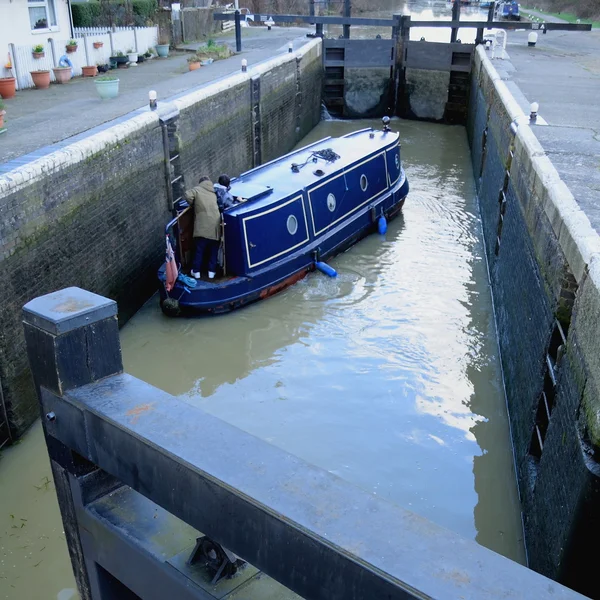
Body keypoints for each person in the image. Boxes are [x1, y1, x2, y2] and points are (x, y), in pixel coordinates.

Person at [184, 176, 221, 280]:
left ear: (200, 183)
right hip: (215, 226)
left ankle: (196, 272)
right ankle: (211, 273)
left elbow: (187, 195)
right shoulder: (214, 191)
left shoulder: (197, 190)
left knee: (199, 250)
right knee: (213, 251)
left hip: (202, 227)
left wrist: (193, 203)